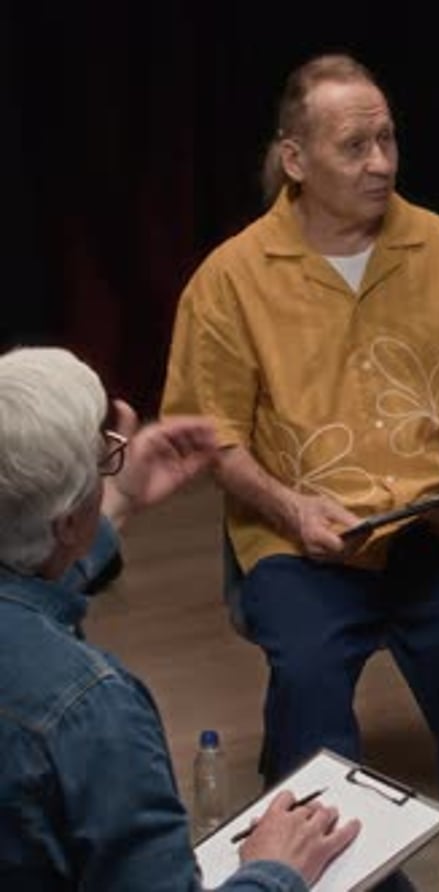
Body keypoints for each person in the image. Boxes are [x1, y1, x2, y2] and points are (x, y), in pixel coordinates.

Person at [162, 54, 439, 891]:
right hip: (304, 540)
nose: (381, 162)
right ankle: (341, 882)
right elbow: (213, 437)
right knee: (309, 677)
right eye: (354, 146)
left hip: (434, 525)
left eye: (388, 139)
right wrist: (291, 508)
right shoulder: (231, 279)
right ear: (295, 159)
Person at [0, 345, 360, 891]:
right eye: (104, 460)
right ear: (67, 523)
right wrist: (275, 870)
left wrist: (118, 497)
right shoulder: (93, 711)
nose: (112, 462)